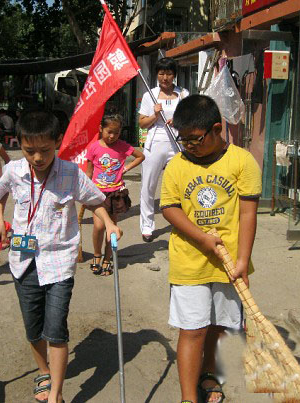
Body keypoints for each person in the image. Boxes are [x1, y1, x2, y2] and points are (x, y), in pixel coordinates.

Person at [0, 109, 122, 403]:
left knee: (56, 329)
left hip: (60, 262)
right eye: (30, 151)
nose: (37, 158)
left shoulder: (71, 173)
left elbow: (96, 201)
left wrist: (111, 223)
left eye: (45, 150)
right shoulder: (13, 171)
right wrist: (0, 220)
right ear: (20, 144)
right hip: (23, 261)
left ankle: (56, 393)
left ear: (57, 142)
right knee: (32, 327)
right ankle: (44, 372)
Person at [160, 94, 262, 403]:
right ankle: (188, 397)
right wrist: (202, 238)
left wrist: (243, 260)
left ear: (217, 129)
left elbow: (247, 213)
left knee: (219, 325)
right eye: (183, 140)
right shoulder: (177, 165)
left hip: (228, 263)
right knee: (192, 330)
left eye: (195, 140)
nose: (188, 146)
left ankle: (207, 374)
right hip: (189, 263)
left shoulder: (242, 161)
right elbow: (170, 208)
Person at [85, 113, 144, 275]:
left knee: (112, 227)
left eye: (116, 132)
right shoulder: (94, 147)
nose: (112, 136)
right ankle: (97, 255)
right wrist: (84, 192)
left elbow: (140, 156)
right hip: (98, 193)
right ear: (101, 129)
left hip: (116, 194)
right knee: (98, 226)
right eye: (109, 131)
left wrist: (126, 168)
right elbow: (88, 172)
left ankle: (108, 257)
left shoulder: (123, 146)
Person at [139, 57, 189, 243]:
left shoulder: (184, 94)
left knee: (180, 184)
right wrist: (155, 114)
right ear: (157, 75)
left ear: (174, 75)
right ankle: (147, 226)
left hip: (178, 142)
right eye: (161, 73)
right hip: (155, 142)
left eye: (168, 73)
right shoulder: (149, 95)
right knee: (148, 186)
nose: (165, 77)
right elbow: (142, 123)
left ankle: (182, 222)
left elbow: (191, 118)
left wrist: (178, 121)